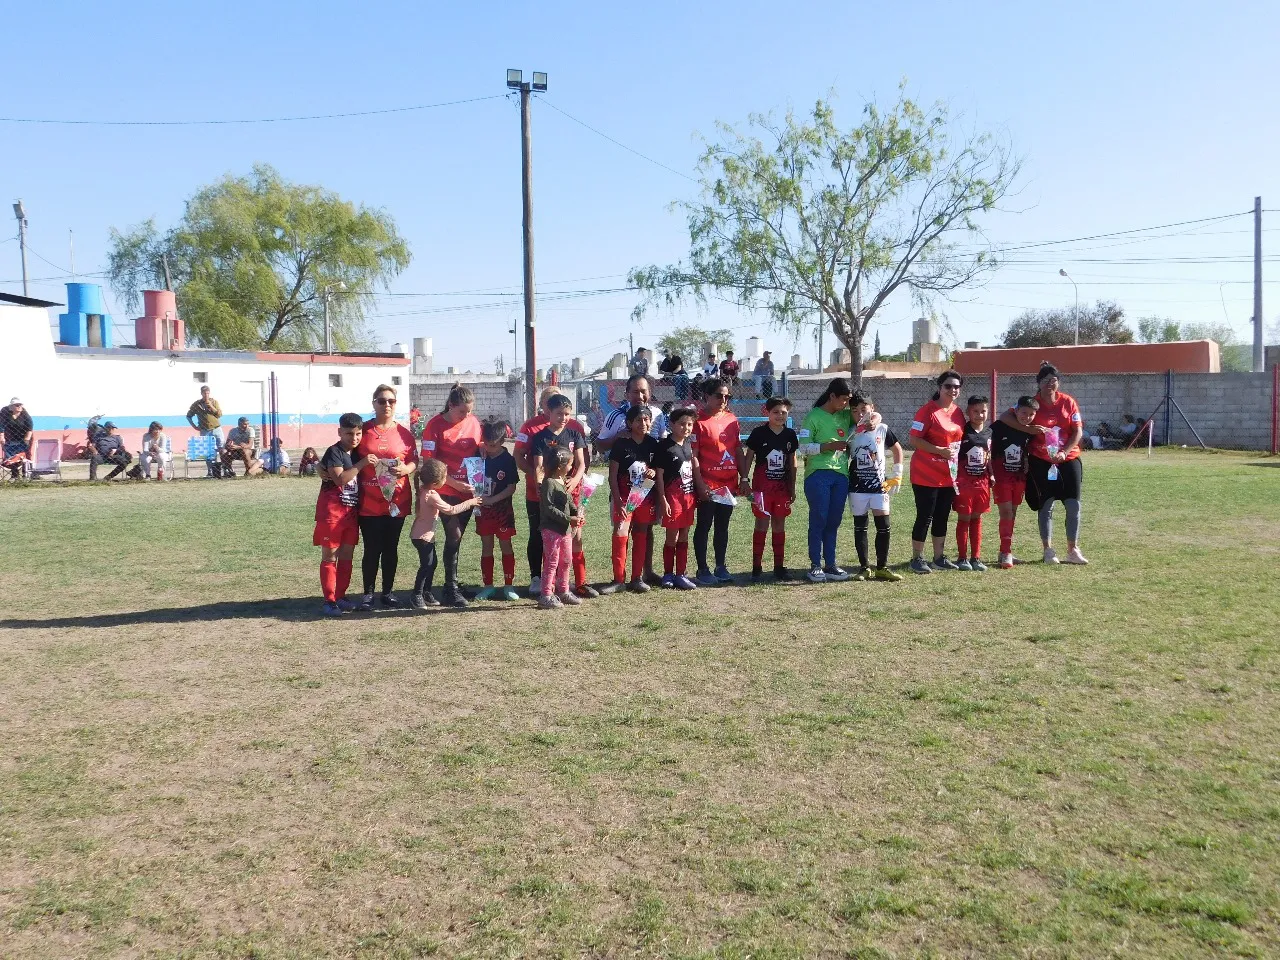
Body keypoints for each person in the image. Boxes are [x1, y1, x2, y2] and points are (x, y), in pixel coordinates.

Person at [999, 362, 1088, 565]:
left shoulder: (1068, 402)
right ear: (1038, 383)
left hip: (1068, 459)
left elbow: (1077, 431)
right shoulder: (1032, 403)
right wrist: (1030, 430)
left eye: (1054, 381)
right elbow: (1005, 416)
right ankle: (1048, 550)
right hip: (1041, 461)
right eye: (1046, 381)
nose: (1050, 384)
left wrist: (1064, 453)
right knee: (1046, 505)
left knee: (1073, 504)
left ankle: (1073, 549)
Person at [516, 387, 591, 597]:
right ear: (547, 410)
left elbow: (582, 463)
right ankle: (541, 583)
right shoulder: (539, 435)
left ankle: (568, 584)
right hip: (545, 496)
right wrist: (543, 486)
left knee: (569, 536)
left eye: (567, 413)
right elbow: (536, 466)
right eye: (559, 413)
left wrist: (575, 480)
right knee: (544, 536)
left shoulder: (575, 432)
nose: (564, 417)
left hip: (569, 493)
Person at [596, 375, 667, 583]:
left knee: (647, 527)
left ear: (649, 392)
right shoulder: (616, 416)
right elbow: (600, 445)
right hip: (624, 484)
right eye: (635, 391)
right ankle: (620, 576)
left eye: (643, 391)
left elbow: (662, 444)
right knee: (623, 527)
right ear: (626, 393)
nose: (640, 395)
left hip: (647, 484)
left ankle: (645, 572)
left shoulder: (658, 414)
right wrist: (619, 437)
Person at [356, 384, 418, 610]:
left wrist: (407, 469)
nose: (387, 405)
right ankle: (368, 594)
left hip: (397, 500)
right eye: (381, 401)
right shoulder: (363, 431)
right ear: (373, 403)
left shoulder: (404, 434)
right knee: (372, 547)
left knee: (391, 547)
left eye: (391, 401)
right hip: (369, 500)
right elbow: (346, 453)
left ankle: (388, 592)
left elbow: (414, 460)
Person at [420, 383, 484, 606]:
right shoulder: (434, 426)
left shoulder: (474, 423)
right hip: (444, 490)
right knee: (452, 535)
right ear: (450, 405)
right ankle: (449, 588)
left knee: (456, 538)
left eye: (469, 411)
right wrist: (453, 483)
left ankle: (450, 584)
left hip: (468, 491)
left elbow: (478, 450)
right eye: (462, 411)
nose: (467, 416)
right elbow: (428, 464)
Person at [908, 371, 967, 575]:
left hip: (948, 475)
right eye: (948, 386)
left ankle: (939, 557)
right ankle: (917, 558)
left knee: (942, 516)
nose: (952, 390)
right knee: (925, 516)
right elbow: (914, 439)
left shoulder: (958, 412)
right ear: (939, 387)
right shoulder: (927, 411)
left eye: (956, 387)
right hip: (925, 474)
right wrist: (939, 450)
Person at [799, 378, 855, 583]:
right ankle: (815, 565)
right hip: (818, 474)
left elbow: (868, 413)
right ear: (831, 396)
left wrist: (874, 417)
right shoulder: (813, 417)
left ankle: (830, 564)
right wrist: (828, 447)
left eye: (848, 401)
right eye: (842, 400)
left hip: (841, 475)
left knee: (834, 520)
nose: (846, 404)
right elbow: (803, 448)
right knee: (819, 519)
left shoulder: (845, 415)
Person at [847, 392, 904, 582]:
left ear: (872, 408)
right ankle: (864, 568)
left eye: (864, 409)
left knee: (884, 526)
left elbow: (897, 449)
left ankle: (882, 567)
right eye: (855, 411)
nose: (860, 414)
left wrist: (897, 474)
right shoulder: (850, 431)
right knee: (860, 527)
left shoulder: (882, 428)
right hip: (857, 487)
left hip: (879, 487)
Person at [603, 405, 660, 593]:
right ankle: (618, 580)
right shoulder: (621, 444)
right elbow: (612, 475)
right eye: (638, 420)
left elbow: (657, 472)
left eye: (646, 419)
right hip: (624, 498)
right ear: (629, 423)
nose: (643, 423)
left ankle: (637, 578)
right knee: (620, 532)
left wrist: (651, 472)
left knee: (642, 532)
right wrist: (618, 501)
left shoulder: (653, 443)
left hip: (644, 495)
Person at [314, 412, 366, 617]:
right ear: (339, 432)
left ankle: (341, 595)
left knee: (346, 556)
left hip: (350, 514)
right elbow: (340, 479)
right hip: (332, 514)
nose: (354, 438)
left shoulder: (355, 452)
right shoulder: (334, 451)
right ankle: (329, 600)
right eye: (349, 433)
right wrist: (362, 464)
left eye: (358, 434)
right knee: (330, 556)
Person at [741, 396, 799, 581]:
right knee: (761, 524)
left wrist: (792, 486)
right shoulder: (758, 433)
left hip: (781, 489)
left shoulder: (790, 434)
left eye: (783, 412)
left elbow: (792, 461)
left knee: (779, 525)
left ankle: (779, 567)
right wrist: (744, 479)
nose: (780, 415)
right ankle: (756, 567)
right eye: (776, 412)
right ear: (767, 412)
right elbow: (748, 457)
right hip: (761, 488)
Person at [691, 377, 742, 585]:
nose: (723, 399)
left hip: (728, 483)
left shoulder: (732, 419)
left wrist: (743, 477)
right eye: (719, 395)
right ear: (707, 396)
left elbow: (738, 449)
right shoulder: (698, 421)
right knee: (704, 524)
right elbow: (693, 455)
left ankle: (721, 566)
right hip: (708, 483)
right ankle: (702, 569)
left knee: (723, 526)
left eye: (727, 396)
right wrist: (700, 483)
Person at [409, 460, 480, 608]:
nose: (446, 481)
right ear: (435, 483)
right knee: (426, 565)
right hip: (422, 537)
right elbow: (451, 510)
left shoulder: (425, 490)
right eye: (445, 478)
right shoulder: (431, 495)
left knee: (431, 564)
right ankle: (416, 595)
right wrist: (471, 502)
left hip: (424, 536)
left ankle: (426, 592)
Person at [474, 419, 520, 601]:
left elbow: (511, 487)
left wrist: (492, 499)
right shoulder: (479, 457)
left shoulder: (508, 460)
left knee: (506, 545)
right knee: (486, 546)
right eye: (487, 444)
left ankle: (509, 586)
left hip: (502, 511)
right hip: (483, 511)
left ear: (502, 442)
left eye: (493, 445)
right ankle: (488, 586)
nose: (489, 448)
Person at [654, 406, 698, 590]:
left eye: (689, 424)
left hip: (688, 498)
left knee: (685, 534)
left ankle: (681, 573)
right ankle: (668, 574)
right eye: (682, 424)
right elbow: (659, 476)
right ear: (671, 424)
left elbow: (692, 468)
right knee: (671, 536)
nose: (686, 428)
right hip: (672, 498)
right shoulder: (664, 447)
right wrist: (663, 499)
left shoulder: (688, 445)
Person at [991, 395, 1038, 569]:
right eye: (1024, 412)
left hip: (1019, 477)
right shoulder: (999, 427)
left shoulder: (1030, 431)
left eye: (1031, 414)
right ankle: (1005, 553)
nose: (1027, 417)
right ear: (1016, 410)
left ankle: (1006, 550)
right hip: (1002, 477)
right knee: (1006, 512)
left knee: (1013, 513)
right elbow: (987, 446)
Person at [953, 395, 995, 571]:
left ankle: (975, 558)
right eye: (975, 411)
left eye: (983, 411)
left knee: (977, 518)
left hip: (982, 484)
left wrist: (991, 474)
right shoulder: (961, 431)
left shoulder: (989, 432)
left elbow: (989, 455)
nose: (979, 415)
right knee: (964, 519)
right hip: (964, 484)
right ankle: (962, 558)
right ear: (968, 412)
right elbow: (954, 456)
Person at [537, 448, 581, 609]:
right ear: (559, 466)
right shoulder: (549, 483)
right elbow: (548, 508)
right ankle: (546, 594)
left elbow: (569, 502)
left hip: (565, 530)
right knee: (552, 562)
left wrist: (577, 513)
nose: (570, 468)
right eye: (569, 464)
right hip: (551, 530)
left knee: (566, 560)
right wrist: (569, 519)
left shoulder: (563, 481)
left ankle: (564, 591)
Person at [185, 385, 223, 477]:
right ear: (201, 393)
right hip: (205, 430)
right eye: (204, 393)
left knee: (222, 448)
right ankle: (210, 471)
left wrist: (211, 406)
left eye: (207, 393)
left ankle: (225, 468)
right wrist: (194, 426)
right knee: (208, 451)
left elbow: (219, 414)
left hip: (216, 428)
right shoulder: (197, 404)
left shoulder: (214, 402)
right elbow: (188, 415)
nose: (206, 395)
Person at [1, 397, 34, 479]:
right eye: (17, 405)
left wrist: (27, 440)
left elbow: (30, 428)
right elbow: (1, 426)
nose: (19, 406)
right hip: (11, 438)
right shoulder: (5, 412)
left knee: (25, 455)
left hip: (25, 436)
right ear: (11, 407)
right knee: (13, 456)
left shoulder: (24, 414)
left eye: (20, 405)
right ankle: (15, 475)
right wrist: (2, 437)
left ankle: (26, 474)